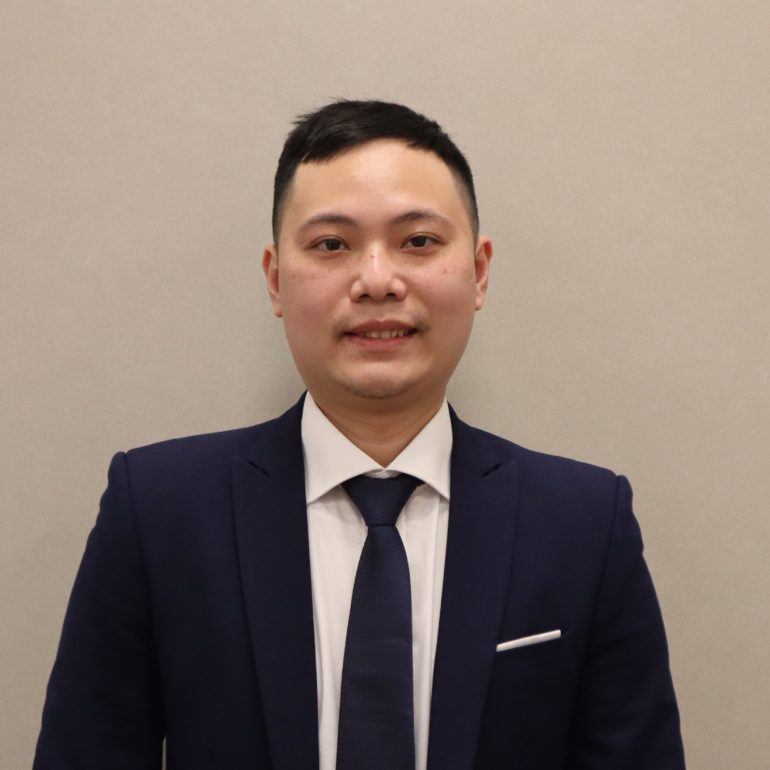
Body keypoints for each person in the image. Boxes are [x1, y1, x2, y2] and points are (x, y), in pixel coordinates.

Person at [34, 99, 686, 770]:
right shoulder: (156, 513)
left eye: (418, 241)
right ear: (275, 279)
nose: (377, 280)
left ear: (480, 271)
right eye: (331, 245)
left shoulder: (586, 524)